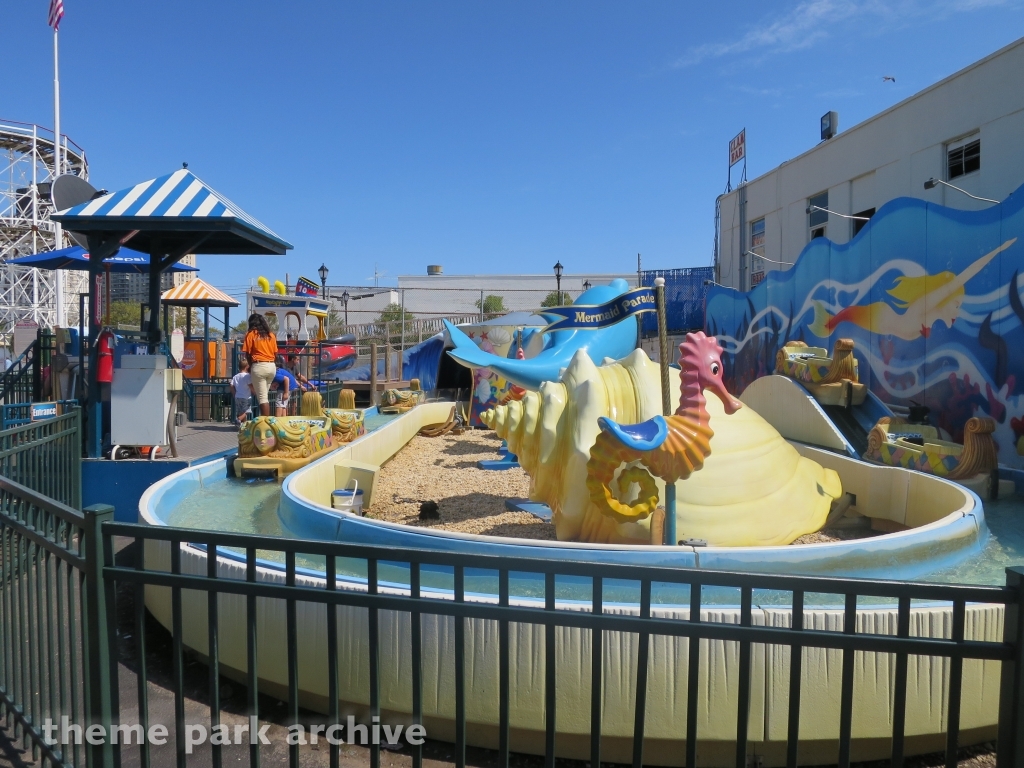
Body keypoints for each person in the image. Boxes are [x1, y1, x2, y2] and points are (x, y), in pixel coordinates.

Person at [242, 314, 277, 416]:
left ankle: (266, 421)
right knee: (264, 396)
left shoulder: (251, 334)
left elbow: (247, 354)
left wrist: (251, 366)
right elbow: (275, 353)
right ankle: (266, 419)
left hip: (259, 366)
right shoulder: (271, 335)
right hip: (271, 366)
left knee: (262, 398)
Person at [230, 358, 254, 425]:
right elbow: (250, 385)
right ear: (247, 367)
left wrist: (234, 393)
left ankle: (243, 424)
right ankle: (238, 419)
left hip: (238, 396)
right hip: (246, 397)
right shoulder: (247, 376)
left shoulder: (235, 376)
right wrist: (254, 391)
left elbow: (231, 385)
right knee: (247, 411)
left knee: (241, 411)